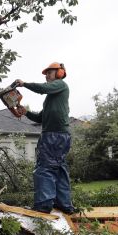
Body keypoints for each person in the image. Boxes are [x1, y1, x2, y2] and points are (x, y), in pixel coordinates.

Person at [14, 62, 75, 214]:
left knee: (45, 168)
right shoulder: (52, 97)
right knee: (59, 168)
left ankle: (43, 205)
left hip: (53, 135)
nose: (47, 75)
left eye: (49, 72)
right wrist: (26, 112)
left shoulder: (60, 84)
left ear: (59, 73)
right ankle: (64, 205)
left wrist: (25, 84)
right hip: (60, 135)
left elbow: (42, 88)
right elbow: (40, 117)